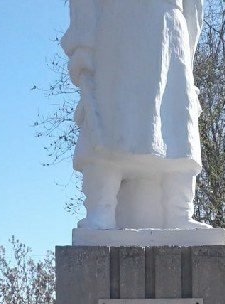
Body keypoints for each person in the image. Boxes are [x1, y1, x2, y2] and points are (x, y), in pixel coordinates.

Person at [61, 0, 210, 230]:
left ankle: (179, 212)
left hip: (171, 30)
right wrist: (83, 47)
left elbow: (194, 8)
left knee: (179, 125)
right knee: (109, 121)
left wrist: (188, 58)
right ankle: (101, 209)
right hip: (117, 30)